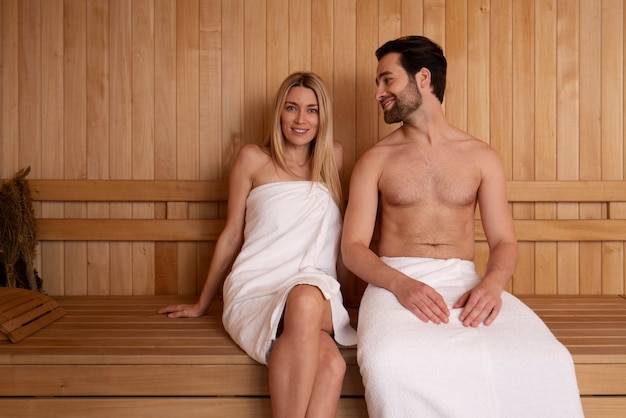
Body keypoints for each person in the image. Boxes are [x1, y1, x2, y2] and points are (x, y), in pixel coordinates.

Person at [341, 36, 584, 418]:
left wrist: (491, 285)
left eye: (387, 80)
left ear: (422, 78)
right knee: (390, 361)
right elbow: (352, 246)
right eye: (377, 83)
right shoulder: (375, 160)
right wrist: (401, 285)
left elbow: (503, 240)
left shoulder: (480, 156)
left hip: (464, 281)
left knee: (548, 358)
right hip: (395, 281)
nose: (378, 93)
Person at [159, 72, 357, 418]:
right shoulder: (253, 159)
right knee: (330, 365)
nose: (300, 119)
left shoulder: (333, 158)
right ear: (278, 113)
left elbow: (336, 236)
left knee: (310, 307)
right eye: (291, 108)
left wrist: (353, 301)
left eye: (311, 110)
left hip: (315, 288)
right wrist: (202, 303)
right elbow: (232, 234)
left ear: (322, 117)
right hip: (259, 285)